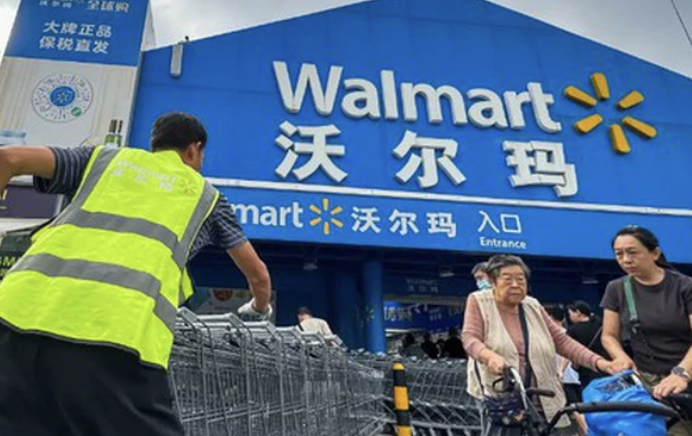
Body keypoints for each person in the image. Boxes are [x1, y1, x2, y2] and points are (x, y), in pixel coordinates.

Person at [0, 112, 273, 436]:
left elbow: (9, 158)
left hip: (14, 316)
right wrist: (258, 309)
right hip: (113, 339)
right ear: (194, 149)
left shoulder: (104, 159)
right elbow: (259, 276)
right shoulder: (207, 197)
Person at [462, 254, 614, 436]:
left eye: (521, 279)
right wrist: (488, 356)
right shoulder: (479, 301)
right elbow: (470, 338)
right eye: (507, 279)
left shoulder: (532, 305)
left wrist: (600, 363)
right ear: (493, 282)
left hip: (543, 394)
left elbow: (562, 341)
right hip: (504, 400)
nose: (515, 284)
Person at [600, 226, 692, 436]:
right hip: (648, 384)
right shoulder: (616, 289)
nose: (625, 260)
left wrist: (682, 373)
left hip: (685, 377)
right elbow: (609, 336)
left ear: (655, 253)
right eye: (619, 254)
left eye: (632, 252)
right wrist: (621, 357)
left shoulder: (685, 286)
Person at [566, 300, 607, 389]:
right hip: (604, 365)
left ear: (578, 312)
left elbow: (568, 350)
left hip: (586, 368)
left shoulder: (573, 330)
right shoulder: (601, 326)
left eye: (570, 314)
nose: (569, 317)